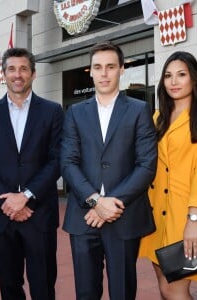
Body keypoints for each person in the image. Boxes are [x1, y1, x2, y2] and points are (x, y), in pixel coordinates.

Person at [61, 40, 157, 300]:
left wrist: (111, 205)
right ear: (89, 71)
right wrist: (95, 201)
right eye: (98, 67)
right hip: (84, 216)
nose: (104, 73)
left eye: (110, 67)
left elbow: (147, 165)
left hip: (123, 216)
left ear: (122, 70)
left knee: (123, 292)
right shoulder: (75, 112)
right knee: (85, 292)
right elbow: (68, 162)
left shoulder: (139, 110)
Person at [0, 47, 64, 300]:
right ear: (3, 74)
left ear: (33, 74)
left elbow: (56, 159)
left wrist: (25, 196)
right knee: (9, 286)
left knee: (43, 286)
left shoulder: (52, 111)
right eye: (12, 69)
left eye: (24, 69)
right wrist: (9, 201)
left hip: (39, 213)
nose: (18, 74)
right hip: (2, 215)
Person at [139, 51, 197, 299]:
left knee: (173, 289)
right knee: (163, 284)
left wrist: (193, 220)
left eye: (181, 75)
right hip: (154, 215)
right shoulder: (156, 118)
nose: (174, 81)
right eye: (168, 76)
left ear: (193, 79)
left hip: (185, 216)